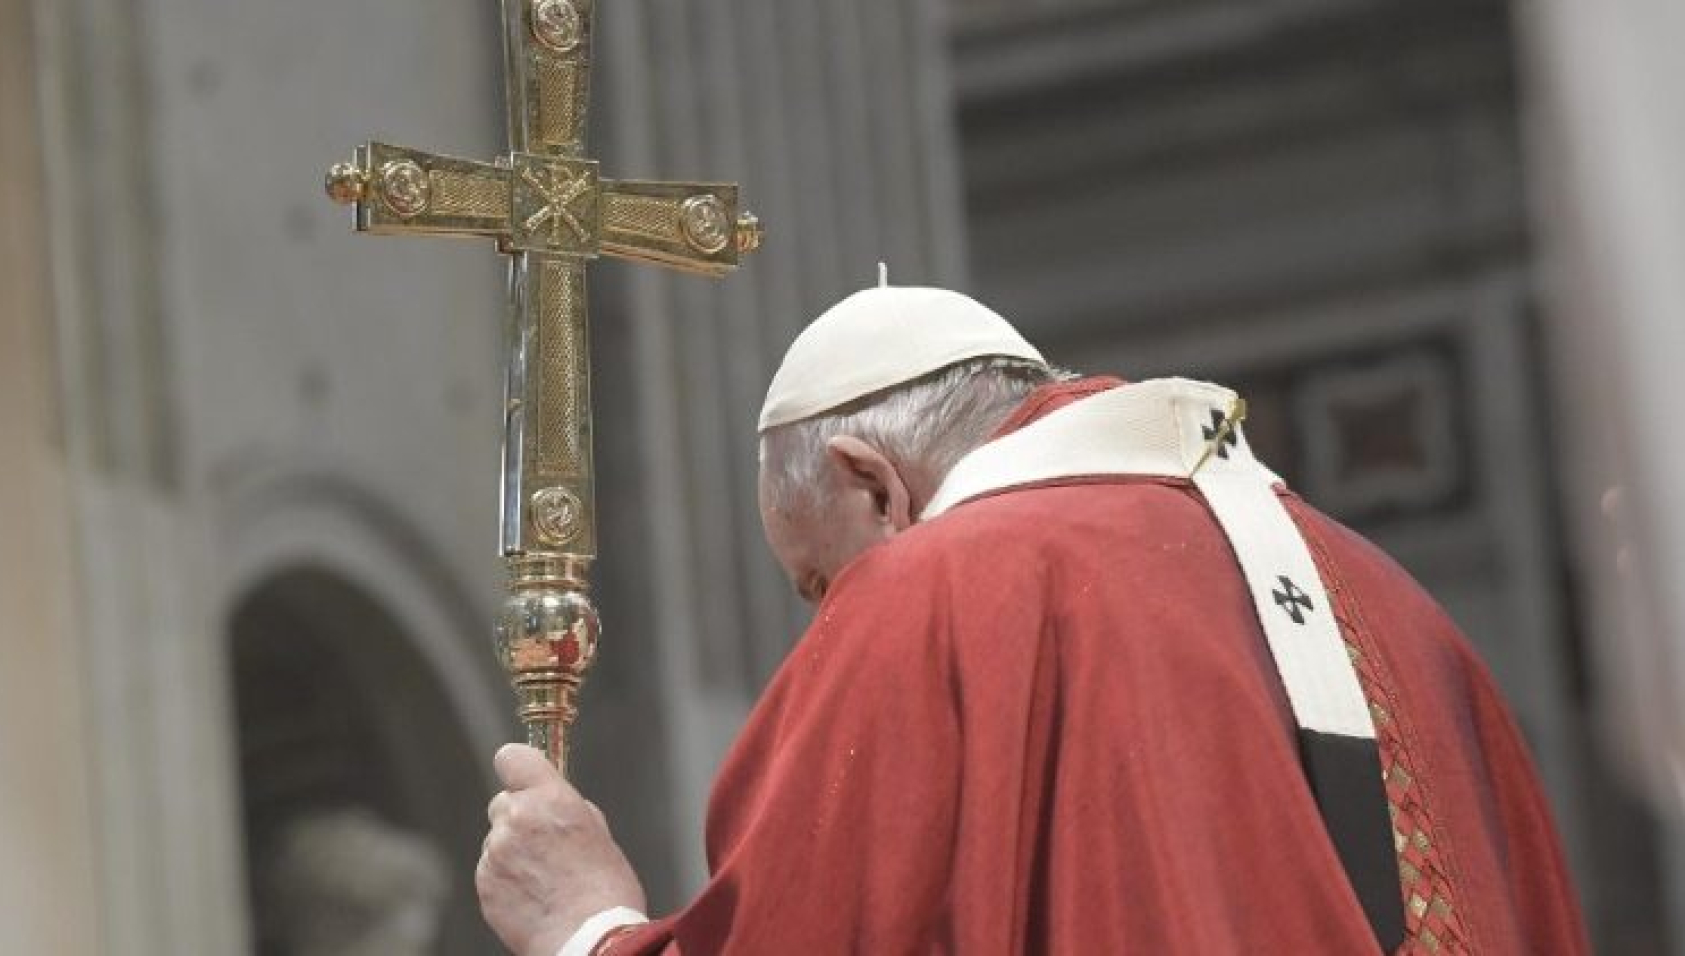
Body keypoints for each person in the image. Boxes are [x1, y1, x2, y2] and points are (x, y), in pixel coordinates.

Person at [476, 285, 1588, 954]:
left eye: (816, 582)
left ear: (873, 487)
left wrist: (584, 922)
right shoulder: (1394, 600)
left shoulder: (940, 590)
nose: (826, 624)